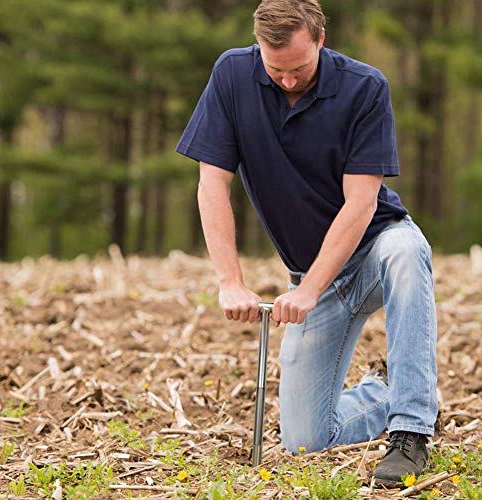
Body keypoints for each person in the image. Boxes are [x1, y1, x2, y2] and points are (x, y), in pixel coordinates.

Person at [176, 0, 438, 488]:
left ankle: (411, 429)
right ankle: (389, 391)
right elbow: (212, 183)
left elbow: (361, 203)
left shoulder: (365, 87)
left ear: (320, 39)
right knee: (305, 440)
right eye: (275, 69)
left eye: (298, 68)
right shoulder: (232, 76)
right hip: (312, 277)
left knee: (407, 252)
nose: (287, 80)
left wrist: (311, 290)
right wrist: (230, 280)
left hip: (375, 246)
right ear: (258, 46)